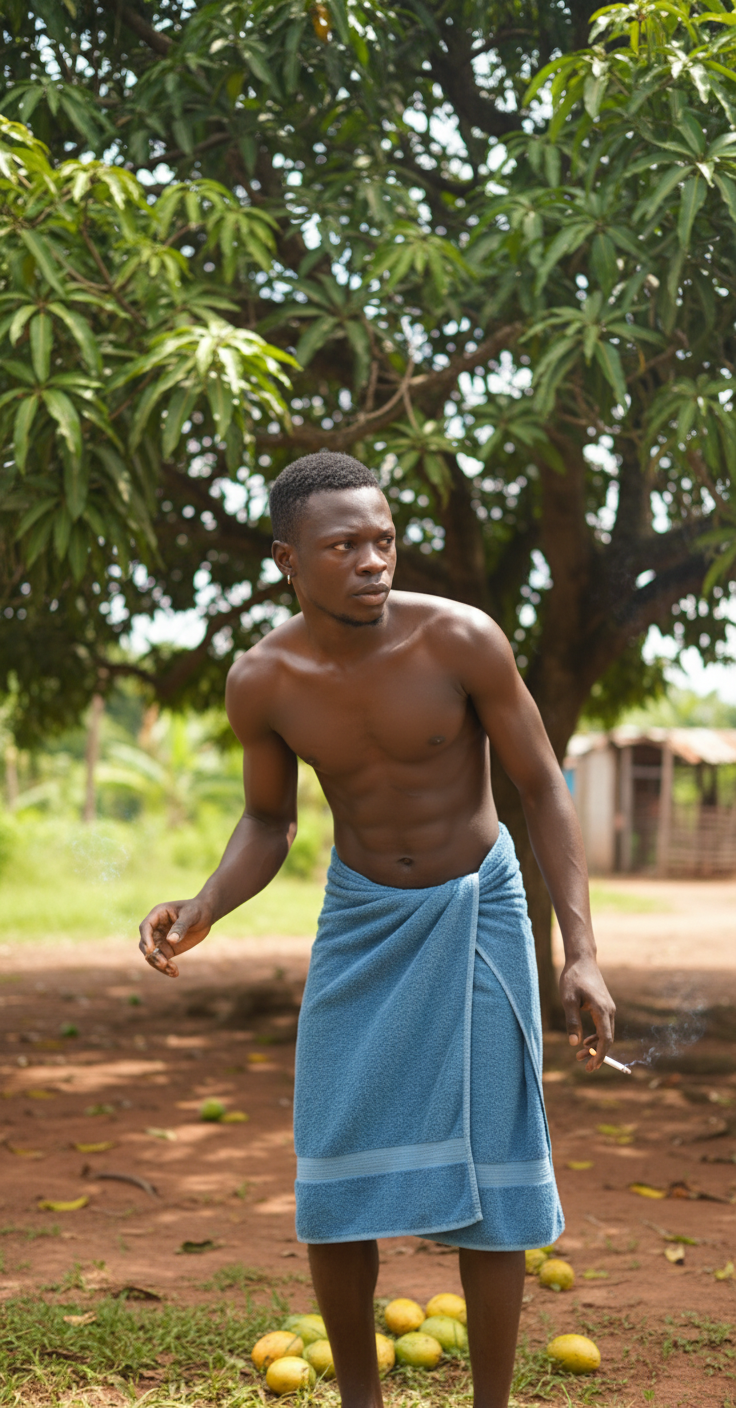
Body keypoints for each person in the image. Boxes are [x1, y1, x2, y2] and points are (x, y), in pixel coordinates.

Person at [139, 451, 615, 1408]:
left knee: (493, 1157)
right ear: (287, 559)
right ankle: (359, 1398)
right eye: (343, 545)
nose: (372, 561)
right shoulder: (263, 680)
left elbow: (540, 788)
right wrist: (203, 906)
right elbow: (270, 823)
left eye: (384, 541)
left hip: (477, 907)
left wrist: (581, 954)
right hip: (360, 921)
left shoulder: (462, 641)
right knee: (334, 1152)